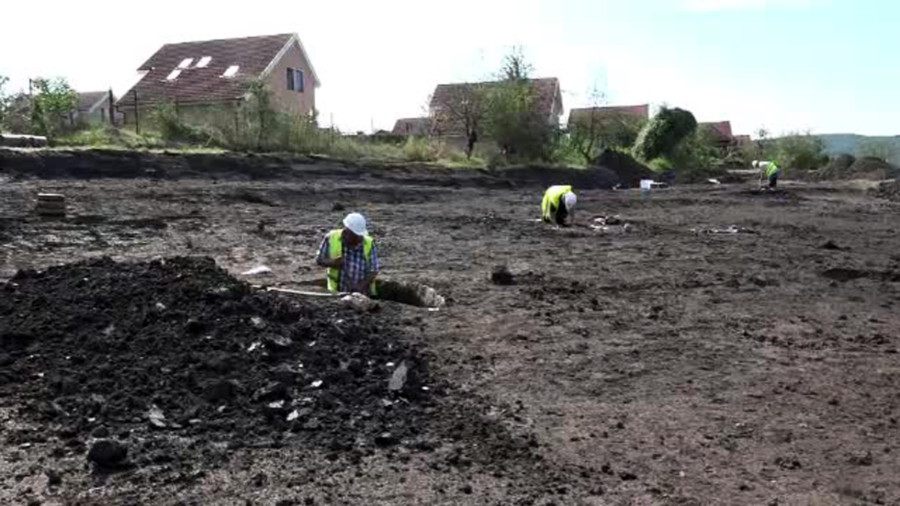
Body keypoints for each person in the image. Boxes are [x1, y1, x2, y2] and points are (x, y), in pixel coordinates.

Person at [315, 212, 380, 295]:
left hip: (362, 295)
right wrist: (332, 262)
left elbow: (373, 270)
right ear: (346, 232)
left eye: (359, 236)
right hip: (336, 293)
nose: (358, 239)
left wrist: (360, 286)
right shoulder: (331, 238)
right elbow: (319, 260)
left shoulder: (368, 243)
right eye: (355, 236)